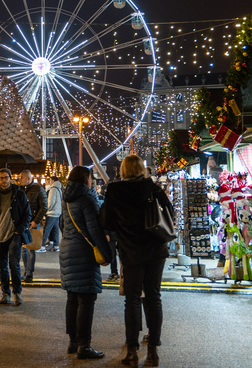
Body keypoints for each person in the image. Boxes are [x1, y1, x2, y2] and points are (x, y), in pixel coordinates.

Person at [101, 154, 175, 368]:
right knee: (153, 297)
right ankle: (153, 352)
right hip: (155, 249)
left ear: (123, 170)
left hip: (130, 250)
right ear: (142, 168)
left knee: (132, 299)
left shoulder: (115, 190)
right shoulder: (152, 187)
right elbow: (169, 212)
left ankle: (132, 350)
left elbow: (106, 221)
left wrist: (123, 229)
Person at [59, 165, 112, 360]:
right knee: (86, 300)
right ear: (85, 179)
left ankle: (73, 342)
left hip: (67, 249)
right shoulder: (87, 198)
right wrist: (107, 255)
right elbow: (95, 230)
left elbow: (62, 225)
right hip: (84, 252)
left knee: (72, 298)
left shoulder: (66, 198)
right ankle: (84, 345)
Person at [0, 168, 32, 305]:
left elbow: (27, 215)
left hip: (14, 235)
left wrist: (19, 231)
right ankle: (6, 292)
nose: (3, 181)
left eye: (6, 178)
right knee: (2, 267)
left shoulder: (19, 195)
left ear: (11, 178)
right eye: (0, 178)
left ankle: (17, 293)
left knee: (14, 265)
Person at [19, 170, 47, 282]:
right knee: (23, 250)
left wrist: (36, 221)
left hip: (32, 223)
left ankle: (29, 273)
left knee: (31, 249)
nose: (19, 179)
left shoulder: (38, 189)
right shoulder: (19, 190)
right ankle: (26, 271)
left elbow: (44, 206)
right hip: (22, 223)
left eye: (21, 177)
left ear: (29, 179)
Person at [41, 175, 63, 252]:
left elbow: (51, 202)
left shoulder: (53, 189)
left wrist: (46, 210)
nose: (49, 182)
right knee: (56, 229)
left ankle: (42, 246)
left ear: (53, 181)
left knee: (46, 229)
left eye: (50, 180)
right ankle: (56, 246)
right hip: (57, 212)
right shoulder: (59, 188)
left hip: (52, 213)